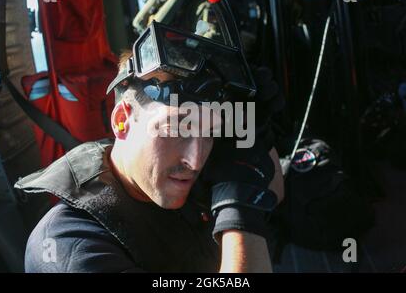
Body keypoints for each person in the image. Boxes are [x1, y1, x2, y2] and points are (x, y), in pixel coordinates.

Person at [16, 23, 284, 273]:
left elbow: (274, 192)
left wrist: (256, 137)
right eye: (175, 128)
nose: (195, 159)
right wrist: (238, 205)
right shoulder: (67, 247)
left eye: (210, 132)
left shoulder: (172, 166)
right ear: (122, 121)